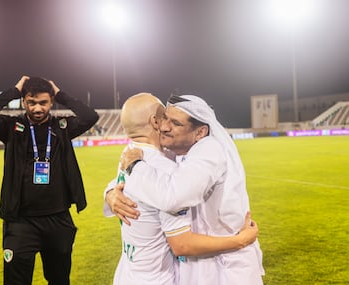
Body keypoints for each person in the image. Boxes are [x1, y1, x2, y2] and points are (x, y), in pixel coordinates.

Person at [107, 94, 265, 285]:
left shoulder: (209, 150)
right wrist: (111, 193)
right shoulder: (166, 153)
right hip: (191, 264)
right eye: (164, 118)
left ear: (200, 133)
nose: (164, 127)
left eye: (175, 123)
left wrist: (135, 167)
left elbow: (173, 197)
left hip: (226, 265)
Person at [0, 76, 99, 285]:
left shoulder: (62, 126)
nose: (37, 108)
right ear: (23, 102)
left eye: (43, 102)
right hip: (21, 222)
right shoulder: (12, 126)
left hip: (58, 219)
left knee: (59, 280)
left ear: (51, 102)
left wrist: (60, 94)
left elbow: (90, 116)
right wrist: (14, 89)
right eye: (31, 102)